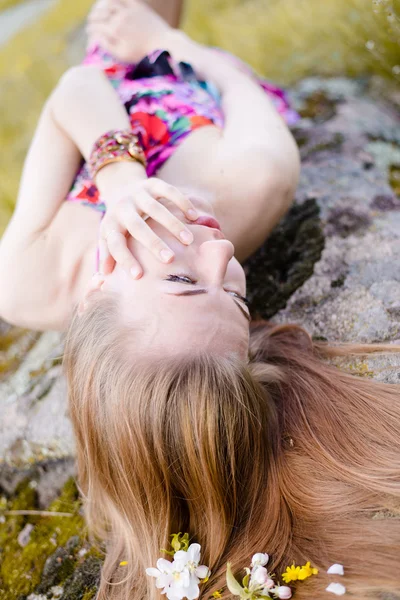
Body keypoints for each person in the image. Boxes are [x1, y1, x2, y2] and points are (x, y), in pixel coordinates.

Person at [0, 1, 399, 599]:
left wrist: (123, 183)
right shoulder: (250, 186)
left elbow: (77, 90)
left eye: (183, 282)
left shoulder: (28, 282)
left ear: (97, 296)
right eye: (238, 297)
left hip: (106, 85)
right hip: (190, 76)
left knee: (111, 18)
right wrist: (163, 40)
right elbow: (237, 85)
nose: (221, 253)